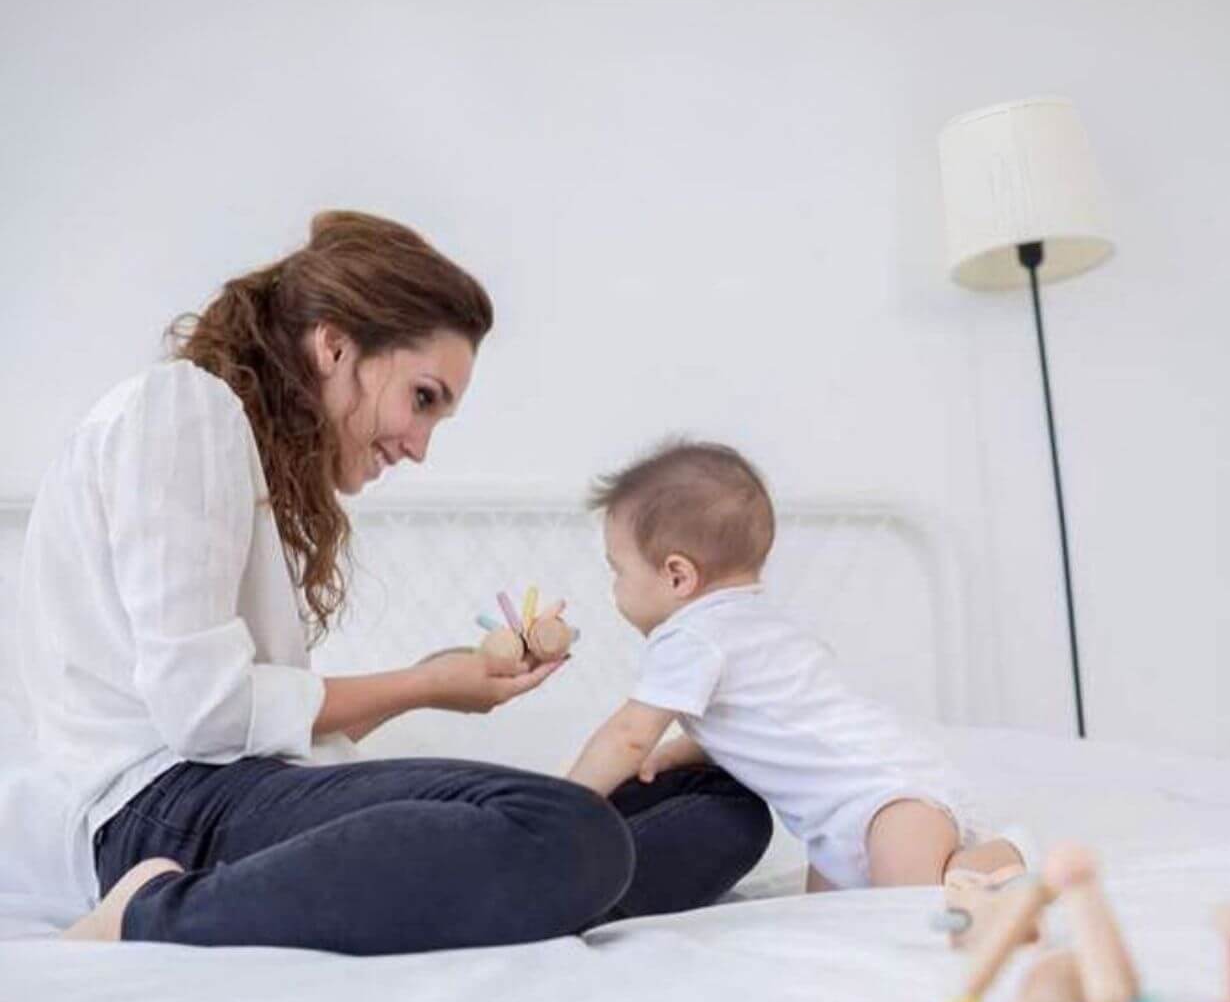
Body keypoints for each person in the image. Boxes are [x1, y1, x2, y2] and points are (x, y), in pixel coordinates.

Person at [20, 213, 771, 952]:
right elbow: (205, 714)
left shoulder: (236, 462)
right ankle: (149, 913)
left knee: (725, 806)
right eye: (423, 398)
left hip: (236, 794)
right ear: (335, 345)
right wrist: (423, 686)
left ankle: (519, 889)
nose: (418, 446)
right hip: (160, 815)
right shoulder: (184, 408)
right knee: (565, 827)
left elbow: (259, 726)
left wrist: (434, 679)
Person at [567, 440, 1032, 890]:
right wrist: (671, 754)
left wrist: (563, 802)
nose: (616, 587)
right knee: (829, 924)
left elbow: (627, 735)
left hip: (888, 798)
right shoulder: (752, 628)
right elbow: (751, 728)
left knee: (908, 906)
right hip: (837, 825)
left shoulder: (691, 638)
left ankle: (1005, 857)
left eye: (618, 570)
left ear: (677, 575)